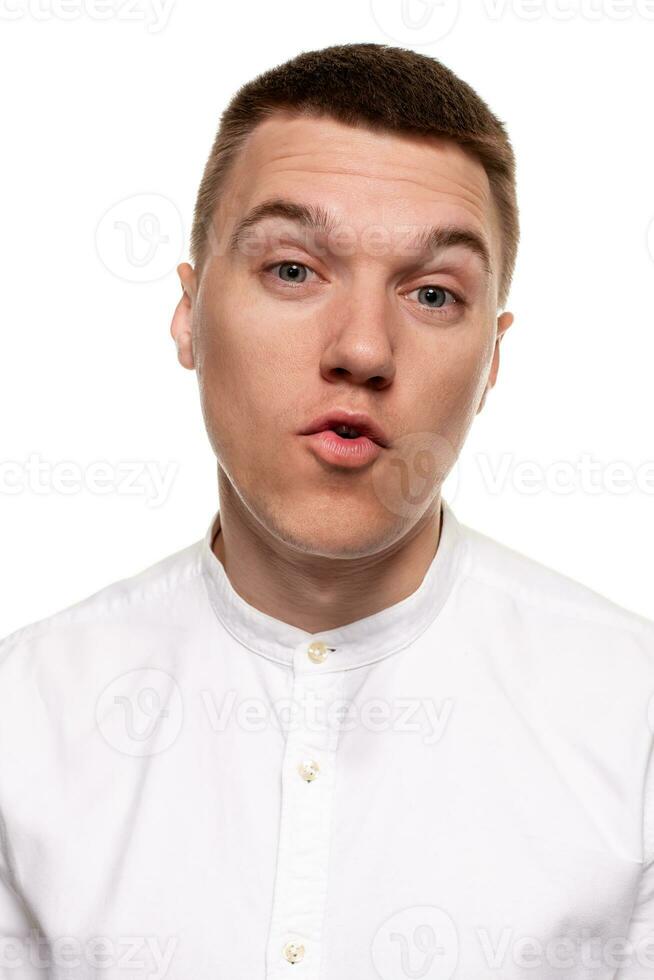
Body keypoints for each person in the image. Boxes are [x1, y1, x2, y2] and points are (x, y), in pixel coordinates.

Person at [1, 41, 652, 980]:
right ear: (188, 315)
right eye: (295, 271)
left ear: (493, 362)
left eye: (433, 292)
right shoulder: (28, 719)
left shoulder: (634, 728)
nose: (361, 348)